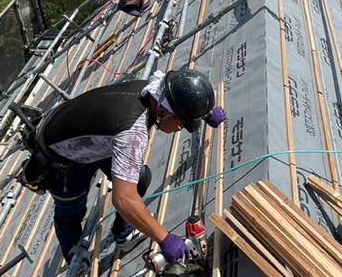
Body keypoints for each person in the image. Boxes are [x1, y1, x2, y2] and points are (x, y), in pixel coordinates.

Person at [36, 68, 225, 264]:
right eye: (181, 124)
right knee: (70, 213)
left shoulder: (154, 89)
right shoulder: (132, 135)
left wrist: (203, 113)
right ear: (161, 111)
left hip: (95, 136)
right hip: (62, 155)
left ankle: (123, 233)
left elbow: (180, 92)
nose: (180, 129)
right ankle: (75, 258)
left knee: (140, 177)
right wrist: (164, 238)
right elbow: (124, 198)